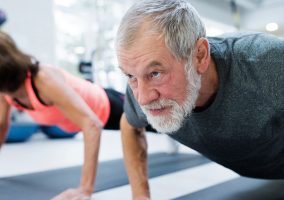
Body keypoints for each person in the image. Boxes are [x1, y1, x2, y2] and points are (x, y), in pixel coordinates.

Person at [115, 0, 284, 199]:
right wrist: (140, 195)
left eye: (155, 73)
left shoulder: (269, 63)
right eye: (130, 76)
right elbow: (129, 125)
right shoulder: (141, 83)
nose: (143, 98)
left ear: (200, 56)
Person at [0, 31, 124, 199]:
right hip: (91, 118)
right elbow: (2, 123)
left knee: (160, 126)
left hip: (109, 105)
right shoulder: (5, 90)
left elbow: (92, 123)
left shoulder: (43, 79)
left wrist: (85, 189)